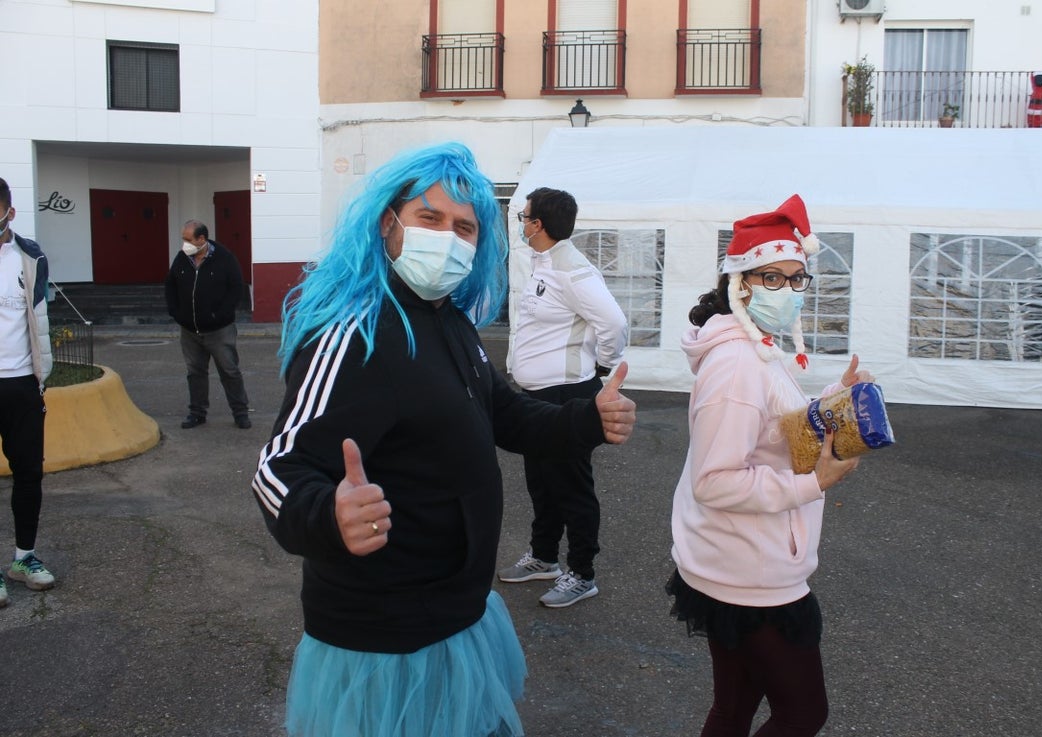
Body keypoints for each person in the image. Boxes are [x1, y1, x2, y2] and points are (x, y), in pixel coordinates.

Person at [250, 142, 636, 737]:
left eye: (465, 227)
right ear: (388, 224)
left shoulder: (449, 319)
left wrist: (587, 418)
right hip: (385, 637)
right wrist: (327, 514)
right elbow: (280, 468)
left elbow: (505, 415)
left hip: (458, 611)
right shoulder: (355, 332)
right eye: (430, 219)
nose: (449, 238)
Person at [667, 194, 873, 737]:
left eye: (796, 278)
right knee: (803, 713)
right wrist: (812, 481)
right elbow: (715, 479)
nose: (787, 292)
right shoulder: (737, 363)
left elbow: (774, 424)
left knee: (732, 711)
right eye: (771, 279)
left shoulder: (755, 347)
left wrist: (835, 396)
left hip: (734, 561)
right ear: (740, 284)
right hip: (749, 572)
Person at [499, 187, 628, 608]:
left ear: (537, 225)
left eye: (525, 216)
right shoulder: (541, 261)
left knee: (572, 486)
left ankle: (582, 573)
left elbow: (613, 322)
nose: (521, 222)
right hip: (536, 396)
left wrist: (603, 367)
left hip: (567, 395)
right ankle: (543, 557)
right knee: (541, 483)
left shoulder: (573, 269)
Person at [0, 176, 56, 609]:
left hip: (21, 383)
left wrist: (43, 374)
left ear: (9, 213)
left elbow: (39, 319)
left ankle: (24, 558)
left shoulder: (30, 256)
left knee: (28, 475)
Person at [164, 219, 251, 429]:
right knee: (195, 373)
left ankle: (240, 413)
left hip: (219, 330)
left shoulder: (224, 258)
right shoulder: (182, 258)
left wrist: (219, 315)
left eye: (188, 239)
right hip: (190, 330)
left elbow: (236, 289)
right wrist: (176, 313)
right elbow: (171, 285)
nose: (184, 244)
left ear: (201, 239)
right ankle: (197, 413)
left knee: (229, 371)